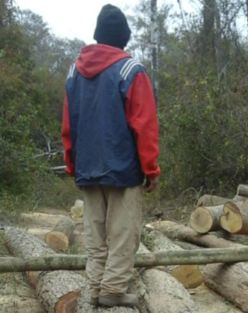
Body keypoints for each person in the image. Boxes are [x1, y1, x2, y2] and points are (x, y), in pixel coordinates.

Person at [61, 4, 160, 308]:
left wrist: (72, 163)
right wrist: (151, 168)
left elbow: (69, 123)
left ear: (98, 35)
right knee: (122, 234)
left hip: (88, 169)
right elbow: (143, 125)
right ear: (124, 38)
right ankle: (113, 291)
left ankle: (93, 289)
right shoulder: (131, 70)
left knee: (95, 236)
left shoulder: (74, 73)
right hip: (124, 170)